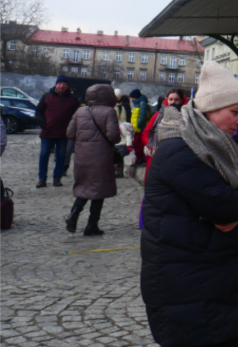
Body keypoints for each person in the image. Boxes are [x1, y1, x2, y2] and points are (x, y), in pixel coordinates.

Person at [141, 61, 238, 347]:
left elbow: (228, 207)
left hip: (192, 282)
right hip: (191, 286)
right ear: (209, 109)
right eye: (235, 112)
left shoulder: (204, 146)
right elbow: (225, 205)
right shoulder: (181, 150)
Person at [65, 84, 120, 236]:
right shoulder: (109, 111)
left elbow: (69, 133)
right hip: (101, 157)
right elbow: (113, 136)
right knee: (98, 190)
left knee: (84, 187)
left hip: (82, 156)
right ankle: (91, 225)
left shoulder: (80, 111)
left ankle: (73, 214)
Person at [35, 75, 80, 188]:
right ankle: (42, 179)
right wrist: (43, 123)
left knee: (61, 156)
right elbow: (38, 111)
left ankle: (57, 178)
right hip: (47, 132)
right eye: (60, 84)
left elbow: (77, 115)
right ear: (56, 84)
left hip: (64, 133)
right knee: (44, 155)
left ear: (67, 86)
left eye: (64, 84)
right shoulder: (47, 96)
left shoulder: (72, 99)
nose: (61, 86)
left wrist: (72, 127)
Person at [142, 89, 186, 168]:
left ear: (181, 100)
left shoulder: (186, 116)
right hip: (158, 155)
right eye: (171, 99)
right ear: (167, 100)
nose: (173, 102)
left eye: (176, 100)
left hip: (179, 155)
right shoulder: (158, 115)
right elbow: (146, 133)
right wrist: (153, 147)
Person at [130, 89, 151, 165]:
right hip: (136, 129)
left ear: (136, 97)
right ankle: (139, 158)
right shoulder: (137, 104)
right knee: (136, 144)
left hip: (141, 129)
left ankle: (142, 159)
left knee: (139, 144)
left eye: (132, 97)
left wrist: (138, 125)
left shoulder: (142, 104)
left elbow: (142, 116)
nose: (132, 99)